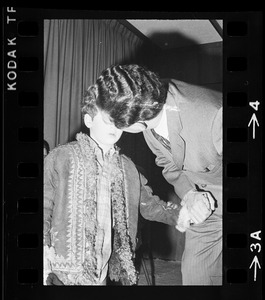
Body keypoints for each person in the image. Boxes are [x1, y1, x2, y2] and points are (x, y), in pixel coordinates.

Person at [43, 75, 214, 286]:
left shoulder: (127, 167)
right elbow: (43, 206)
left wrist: (182, 214)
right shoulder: (61, 158)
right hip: (63, 266)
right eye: (106, 118)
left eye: (117, 120)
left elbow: (150, 206)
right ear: (88, 120)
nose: (113, 126)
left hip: (103, 265)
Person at [92, 64, 222, 286]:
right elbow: (168, 163)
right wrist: (191, 193)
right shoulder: (145, 105)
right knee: (196, 275)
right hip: (205, 206)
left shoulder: (214, 116)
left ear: (136, 124)